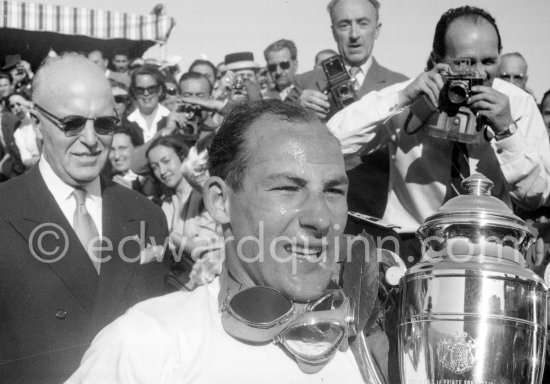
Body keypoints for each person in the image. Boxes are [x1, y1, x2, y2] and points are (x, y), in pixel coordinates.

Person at [67, 100, 377, 383]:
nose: (321, 218)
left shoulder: (375, 340)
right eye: (287, 188)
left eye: (334, 191)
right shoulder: (147, 344)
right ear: (219, 201)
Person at [327, 6, 550, 260]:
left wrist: (507, 131)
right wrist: (401, 98)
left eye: (489, 61)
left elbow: (537, 195)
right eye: (464, 63)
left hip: (490, 246)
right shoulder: (410, 96)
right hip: (414, 246)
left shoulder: (517, 104)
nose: (478, 73)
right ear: (437, 59)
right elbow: (332, 142)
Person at [0, 53, 169, 383]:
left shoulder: (146, 216)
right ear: (36, 120)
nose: (91, 141)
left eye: (104, 124)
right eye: (72, 123)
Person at [287, 0, 407, 227]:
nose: (354, 34)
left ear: (377, 29)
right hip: (316, 213)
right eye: (344, 25)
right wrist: (295, 113)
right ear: (333, 31)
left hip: (377, 214)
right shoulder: (305, 82)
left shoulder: (399, 86)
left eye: (362, 23)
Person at [146, 135, 222, 290]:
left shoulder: (205, 196)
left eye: (166, 161)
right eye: (154, 166)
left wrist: (167, 233)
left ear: (182, 157)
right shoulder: (166, 202)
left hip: (209, 284)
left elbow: (200, 249)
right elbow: (159, 249)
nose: (162, 171)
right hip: (180, 284)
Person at [8, 92, 40, 168]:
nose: (16, 108)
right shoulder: (17, 133)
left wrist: (28, 104)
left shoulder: (38, 116)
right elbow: (25, 159)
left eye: (19, 104)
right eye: (12, 106)